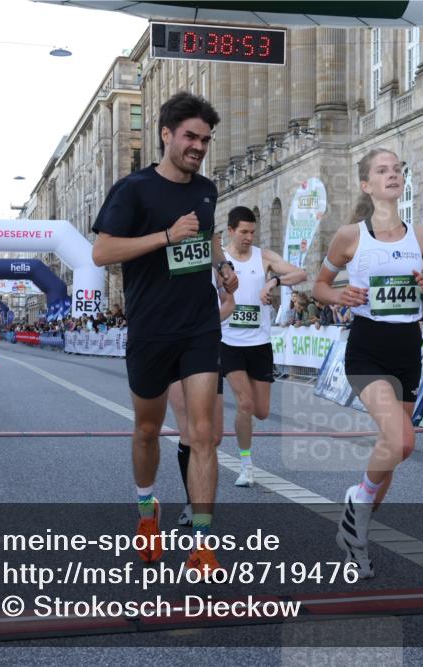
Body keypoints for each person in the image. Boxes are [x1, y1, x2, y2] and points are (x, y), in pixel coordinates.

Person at [91, 92, 238, 577]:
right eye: (190, 136)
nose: (198, 146)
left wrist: (222, 268)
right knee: (148, 430)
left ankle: (201, 541)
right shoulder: (133, 189)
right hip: (151, 328)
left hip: (199, 325)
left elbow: (209, 237)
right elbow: (102, 253)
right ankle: (146, 509)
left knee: (204, 434)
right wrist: (166, 237)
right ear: (166, 134)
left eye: (205, 139)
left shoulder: (207, 190)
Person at [314, 147, 423, 578]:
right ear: (366, 184)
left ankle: (355, 533)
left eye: (397, 169)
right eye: (382, 170)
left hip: (407, 351)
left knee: (395, 449)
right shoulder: (349, 236)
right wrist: (340, 295)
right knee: (402, 440)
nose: (392, 175)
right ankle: (358, 503)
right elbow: (320, 286)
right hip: (368, 349)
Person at [220, 206, 307, 488]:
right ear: (231, 231)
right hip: (229, 342)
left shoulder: (263, 257)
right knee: (244, 403)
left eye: (252, 232)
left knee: (262, 411)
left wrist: (274, 281)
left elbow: (300, 273)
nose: (248, 237)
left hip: (260, 342)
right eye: (243, 232)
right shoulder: (220, 261)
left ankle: (246, 428)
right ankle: (246, 465)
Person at [170, 271, 235, 526]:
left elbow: (230, 303)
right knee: (189, 431)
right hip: (171, 347)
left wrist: (203, 325)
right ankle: (192, 503)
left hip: (204, 349)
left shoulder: (214, 265)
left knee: (213, 435)